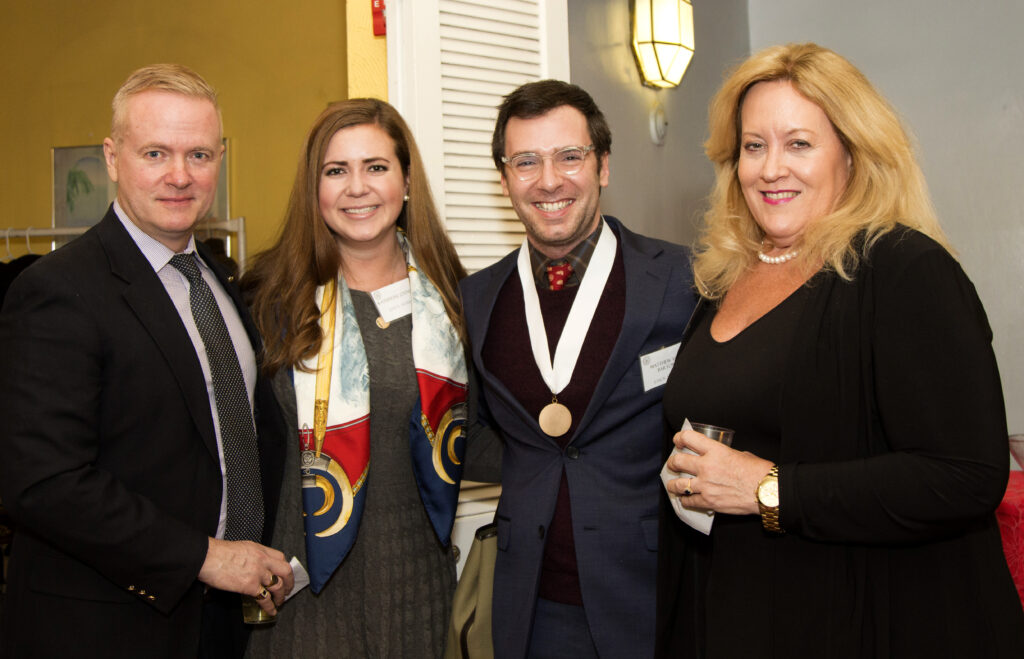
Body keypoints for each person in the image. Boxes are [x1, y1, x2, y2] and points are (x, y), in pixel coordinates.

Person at [657, 42, 1024, 658]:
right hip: (741, 606)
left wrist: (769, 489)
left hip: (870, 617)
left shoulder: (904, 269)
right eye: (754, 146)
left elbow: (966, 475)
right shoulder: (723, 279)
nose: (771, 168)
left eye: (799, 143)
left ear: (852, 154)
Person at [0, 64, 292, 659]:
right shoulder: (58, 290)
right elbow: (42, 482)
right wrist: (206, 557)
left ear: (219, 160)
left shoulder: (219, 280)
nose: (179, 175)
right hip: (107, 627)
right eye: (155, 153)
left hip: (223, 623)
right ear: (112, 158)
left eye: (199, 155)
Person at [461, 79, 697, 658]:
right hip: (530, 604)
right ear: (503, 179)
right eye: (526, 162)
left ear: (603, 166)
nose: (549, 180)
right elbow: (473, 432)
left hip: (655, 594)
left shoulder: (685, 280)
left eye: (569, 156)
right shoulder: (477, 299)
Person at [241, 98, 477, 659]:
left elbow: (484, 440)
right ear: (314, 188)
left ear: (407, 180)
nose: (357, 188)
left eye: (375, 167)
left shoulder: (456, 299)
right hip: (302, 596)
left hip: (418, 589)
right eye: (335, 170)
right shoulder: (266, 299)